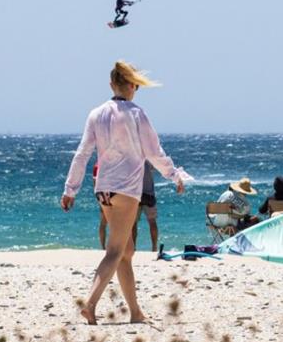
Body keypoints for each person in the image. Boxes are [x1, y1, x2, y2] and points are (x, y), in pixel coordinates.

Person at [61, 61, 191, 325]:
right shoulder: (136, 114)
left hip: (103, 190)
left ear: (112, 85)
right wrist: (175, 174)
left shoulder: (96, 114)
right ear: (133, 86)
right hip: (126, 191)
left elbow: (82, 154)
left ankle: (135, 312)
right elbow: (154, 152)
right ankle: (90, 303)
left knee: (126, 251)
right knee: (115, 250)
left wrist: (70, 189)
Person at [135, 161, 159, 251]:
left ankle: (133, 247)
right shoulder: (149, 158)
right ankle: (154, 247)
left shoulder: (134, 157)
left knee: (133, 223)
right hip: (149, 194)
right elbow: (154, 168)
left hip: (136, 194)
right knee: (152, 221)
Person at [93, 162, 108, 249]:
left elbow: (95, 184)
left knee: (103, 223)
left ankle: (103, 246)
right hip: (112, 195)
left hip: (102, 195)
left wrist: (98, 196)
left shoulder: (97, 165)